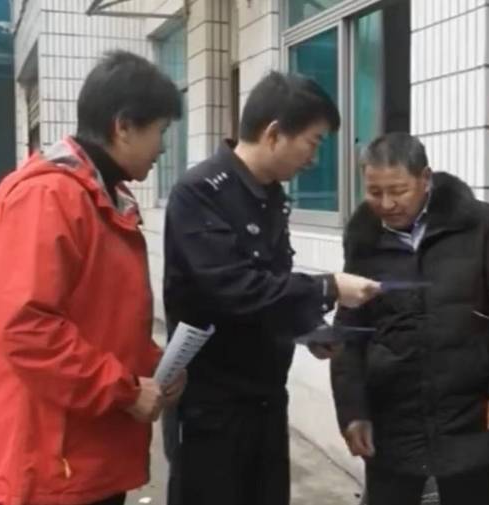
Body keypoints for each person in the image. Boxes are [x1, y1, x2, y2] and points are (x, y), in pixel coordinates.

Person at [0, 50, 186, 505]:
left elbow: (101, 319)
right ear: (124, 126)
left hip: (85, 451)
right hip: (51, 459)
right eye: (161, 131)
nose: (163, 148)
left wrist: (153, 367)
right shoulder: (48, 197)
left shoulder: (103, 197)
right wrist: (124, 390)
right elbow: (27, 327)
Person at [162, 71, 381, 505]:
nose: (314, 159)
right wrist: (328, 287)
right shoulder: (200, 193)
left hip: (265, 400)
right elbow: (233, 288)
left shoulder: (271, 197)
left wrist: (307, 328)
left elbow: (271, 285)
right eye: (313, 142)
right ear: (275, 133)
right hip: (212, 409)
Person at [330, 132, 489, 505]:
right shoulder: (364, 238)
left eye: (398, 190)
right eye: (374, 192)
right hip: (393, 412)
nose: (386, 204)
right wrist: (353, 411)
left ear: (425, 178)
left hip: (468, 409)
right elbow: (349, 329)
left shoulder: (478, 223)